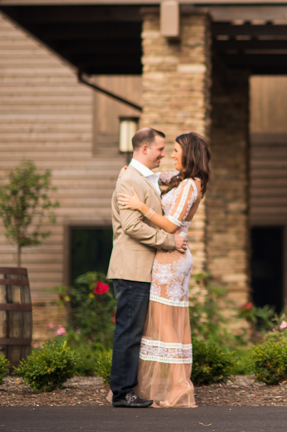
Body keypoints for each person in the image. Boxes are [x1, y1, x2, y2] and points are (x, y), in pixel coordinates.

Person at [117, 131, 210, 408]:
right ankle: (164, 384)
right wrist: (130, 171)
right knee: (162, 322)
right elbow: (157, 176)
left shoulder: (191, 186)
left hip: (172, 258)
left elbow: (171, 225)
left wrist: (140, 206)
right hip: (169, 256)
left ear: (189, 154)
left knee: (166, 323)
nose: (171, 155)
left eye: (176, 151)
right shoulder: (182, 180)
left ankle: (181, 385)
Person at [107, 127, 188, 408]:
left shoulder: (142, 177)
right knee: (128, 332)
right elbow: (131, 226)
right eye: (159, 149)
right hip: (131, 268)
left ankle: (123, 389)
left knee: (132, 331)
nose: (163, 154)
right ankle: (122, 393)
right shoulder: (130, 179)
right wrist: (169, 241)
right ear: (144, 149)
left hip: (141, 269)